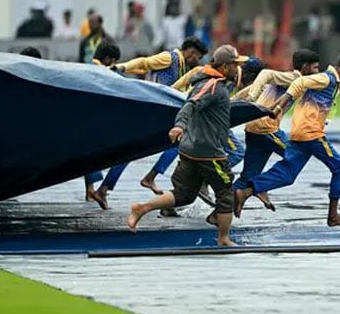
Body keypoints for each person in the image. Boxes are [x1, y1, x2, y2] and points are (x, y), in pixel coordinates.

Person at [127, 45, 248, 247]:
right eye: (235, 65)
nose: (237, 69)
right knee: (226, 194)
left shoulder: (213, 84)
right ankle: (224, 238)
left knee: (185, 194)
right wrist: (179, 126)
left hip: (191, 151)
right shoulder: (212, 86)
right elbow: (190, 105)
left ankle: (142, 207)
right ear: (225, 67)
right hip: (209, 153)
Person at [234, 50, 340, 227]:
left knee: (288, 174)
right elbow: (298, 81)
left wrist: (235, 100)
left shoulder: (330, 83)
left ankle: (246, 191)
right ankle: (333, 216)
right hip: (310, 135)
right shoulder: (326, 79)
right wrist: (281, 103)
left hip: (298, 134)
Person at [91, 37, 209, 208]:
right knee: (177, 143)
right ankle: (149, 177)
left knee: (131, 151)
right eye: (197, 56)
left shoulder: (182, 66)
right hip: (152, 112)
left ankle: (104, 189)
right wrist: (122, 67)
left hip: (157, 114)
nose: (197, 60)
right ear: (190, 51)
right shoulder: (170, 58)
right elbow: (145, 62)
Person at [231, 49, 322, 212]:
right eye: (316, 68)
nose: (318, 72)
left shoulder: (290, 80)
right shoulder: (295, 78)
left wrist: (232, 101)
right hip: (266, 128)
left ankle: (219, 210)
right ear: (306, 67)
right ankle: (260, 187)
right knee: (298, 156)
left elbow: (265, 84)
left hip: (253, 128)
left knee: (247, 175)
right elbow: (265, 74)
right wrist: (251, 96)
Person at [84, 41, 122, 209]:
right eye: (113, 62)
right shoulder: (103, 73)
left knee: (87, 154)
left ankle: (90, 190)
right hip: (100, 126)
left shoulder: (84, 68)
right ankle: (104, 189)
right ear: (107, 59)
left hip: (87, 125)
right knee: (125, 155)